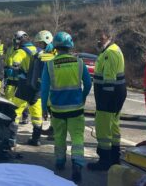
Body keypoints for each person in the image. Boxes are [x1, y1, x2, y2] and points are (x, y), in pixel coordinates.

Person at [41, 31, 92, 183]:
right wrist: (82, 97)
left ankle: (60, 162)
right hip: (76, 109)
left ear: (55, 46)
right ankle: (77, 163)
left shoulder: (49, 65)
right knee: (77, 138)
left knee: (59, 137)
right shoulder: (79, 63)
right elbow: (88, 84)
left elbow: (44, 90)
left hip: (57, 110)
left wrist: (44, 108)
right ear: (70, 46)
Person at [87, 27, 127, 171]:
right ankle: (114, 158)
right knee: (114, 127)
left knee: (103, 128)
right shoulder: (114, 50)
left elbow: (109, 79)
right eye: (97, 38)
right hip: (116, 95)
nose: (98, 41)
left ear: (109, 38)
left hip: (108, 95)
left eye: (101, 38)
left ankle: (104, 160)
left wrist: (105, 102)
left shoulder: (109, 54)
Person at [23, 30, 56, 146]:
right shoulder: (48, 53)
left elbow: (42, 75)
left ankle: (49, 133)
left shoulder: (47, 55)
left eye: (40, 44)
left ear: (47, 42)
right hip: (48, 89)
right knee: (52, 112)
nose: (38, 46)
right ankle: (53, 131)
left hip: (46, 89)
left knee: (49, 112)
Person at [11, 31, 38, 125]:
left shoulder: (20, 51)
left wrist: (17, 70)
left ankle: (11, 135)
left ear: (20, 40)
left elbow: (15, 64)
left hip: (24, 84)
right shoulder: (36, 49)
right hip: (36, 85)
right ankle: (36, 135)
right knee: (35, 111)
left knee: (16, 110)